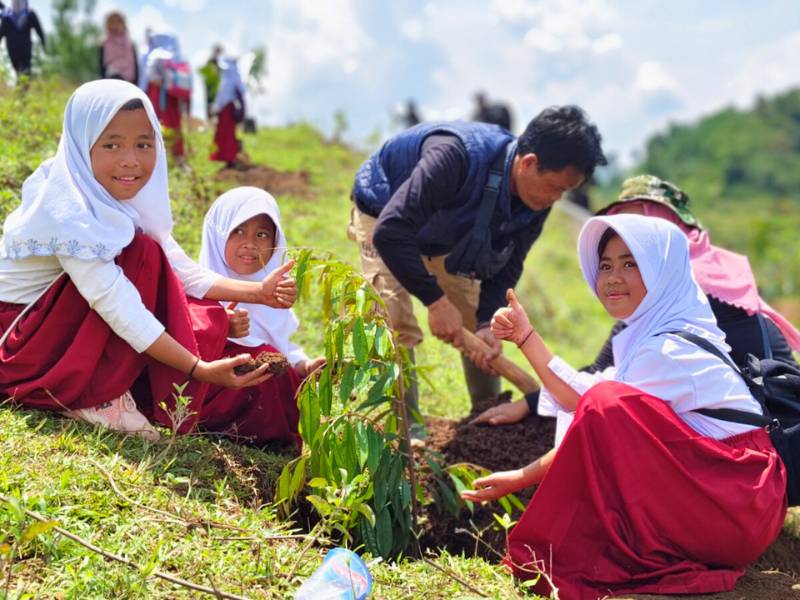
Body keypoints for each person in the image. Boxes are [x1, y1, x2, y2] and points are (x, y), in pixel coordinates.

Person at [461, 214, 786, 598]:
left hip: (738, 503)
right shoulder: (658, 334)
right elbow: (583, 398)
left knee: (605, 405)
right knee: (605, 402)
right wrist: (525, 335)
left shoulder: (669, 349)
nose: (613, 277)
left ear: (662, 271)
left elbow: (593, 412)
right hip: (735, 501)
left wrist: (521, 476)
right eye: (606, 265)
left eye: (631, 263)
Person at [0, 80, 297, 442]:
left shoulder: (107, 193)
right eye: (112, 145)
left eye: (143, 144)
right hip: (20, 348)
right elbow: (117, 305)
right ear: (82, 145)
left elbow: (181, 270)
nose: (131, 160)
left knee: (149, 254)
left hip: (51, 332)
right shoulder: (68, 210)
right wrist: (197, 368)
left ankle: (104, 384)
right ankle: (94, 395)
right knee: (141, 254)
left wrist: (259, 292)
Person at [349, 106, 606, 436]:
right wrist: (435, 301)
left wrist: (486, 322)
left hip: (445, 230)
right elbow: (391, 231)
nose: (557, 198)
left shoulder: (537, 199)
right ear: (528, 163)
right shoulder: (455, 156)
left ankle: (488, 423)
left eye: (564, 192)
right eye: (556, 187)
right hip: (385, 211)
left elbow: (508, 266)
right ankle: (408, 433)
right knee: (395, 318)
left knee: (472, 317)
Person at [473, 174, 800, 426]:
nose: (625, 233)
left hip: (750, 453)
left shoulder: (675, 292)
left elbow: (604, 386)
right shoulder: (719, 272)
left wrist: (528, 407)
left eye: (635, 228)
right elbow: (613, 376)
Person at [198, 186, 325, 447]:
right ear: (218, 232)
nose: (250, 243)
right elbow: (185, 341)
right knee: (259, 357)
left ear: (275, 243)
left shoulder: (274, 294)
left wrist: (305, 367)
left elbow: (282, 350)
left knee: (269, 359)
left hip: (263, 403)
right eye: (238, 231)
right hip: (212, 395)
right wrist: (221, 327)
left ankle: (282, 438)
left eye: (262, 234)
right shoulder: (198, 286)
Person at [139, 31, 189, 163]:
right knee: (173, 124)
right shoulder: (176, 56)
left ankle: (157, 157)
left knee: (156, 122)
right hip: (172, 99)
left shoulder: (155, 56)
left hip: (158, 96)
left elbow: (150, 77)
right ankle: (176, 157)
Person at [209, 56, 246, 167]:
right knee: (224, 134)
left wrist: (216, 108)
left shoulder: (232, 79)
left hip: (228, 110)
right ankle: (225, 158)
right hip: (225, 110)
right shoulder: (228, 78)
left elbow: (226, 97)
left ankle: (231, 158)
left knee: (228, 135)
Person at [0, 0, 45, 79]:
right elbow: (39, 30)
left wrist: (43, 41)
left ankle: (21, 87)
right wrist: (43, 42)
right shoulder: (30, 14)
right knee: (24, 73)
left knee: (21, 72)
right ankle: (22, 87)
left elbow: (1, 33)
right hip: (24, 50)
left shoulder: (7, 16)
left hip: (14, 50)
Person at [98, 11, 138, 85]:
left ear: (123, 24)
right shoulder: (104, 43)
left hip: (130, 83)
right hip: (110, 82)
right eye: (112, 22)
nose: (115, 25)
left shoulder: (130, 44)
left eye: (118, 22)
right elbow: (101, 68)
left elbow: (136, 67)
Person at [199, 44, 223, 119]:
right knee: (210, 103)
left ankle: (214, 119)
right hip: (211, 86)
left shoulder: (220, 62)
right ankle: (210, 119)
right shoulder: (211, 61)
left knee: (216, 103)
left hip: (217, 86)